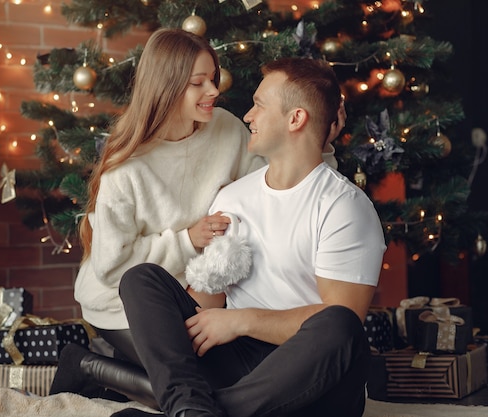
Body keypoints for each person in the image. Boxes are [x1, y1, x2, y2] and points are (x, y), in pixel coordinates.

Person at [49, 28, 345, 403]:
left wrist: (321, 142)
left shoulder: (224, 128)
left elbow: (279, 178)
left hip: (196, 295)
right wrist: (187, 240)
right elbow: (112, 266)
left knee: (207, 380)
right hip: (122, 300)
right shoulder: (125, 170)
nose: (213, 91)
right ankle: (86, 366)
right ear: (167, 87)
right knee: (195, 386)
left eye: (214, 79)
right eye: (198, 83)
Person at [114, 57, 386, 417]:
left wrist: (241, 321)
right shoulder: (233, 198)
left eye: (259, 105)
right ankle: (191, 409)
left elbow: (342, 327)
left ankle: (198, 412)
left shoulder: (343, 207)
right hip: (241, 365)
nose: (248, 116)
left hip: (314, 378)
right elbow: (209, 304)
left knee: (340, 322)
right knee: (141, 279)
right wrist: (194, 311)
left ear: (295, 119)